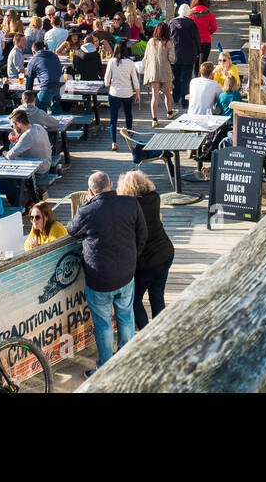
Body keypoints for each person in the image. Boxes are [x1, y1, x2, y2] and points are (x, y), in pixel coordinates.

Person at [67, 171, 146, 373]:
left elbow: (71, 229)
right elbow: (142, 234)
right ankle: (125, 362)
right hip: (126, 274)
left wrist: (86, 204)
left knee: (103, 325)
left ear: (90, 191)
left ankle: (105, 368)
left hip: (99, 279)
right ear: (111, 185)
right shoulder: (130, 203)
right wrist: (132, 258)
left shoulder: (87, 211)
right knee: (126, 317)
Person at [117, 170, 174, 331]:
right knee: (157, 297)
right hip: (165, 252)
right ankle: (161, 332)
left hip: (146, 261)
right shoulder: (154, 198)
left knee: (135, 301)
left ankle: (146, 333)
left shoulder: (130, 207)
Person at [103, 41, 140, 152]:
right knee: (128, 114)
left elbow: (106, 81)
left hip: (114, 93)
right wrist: (138, 93)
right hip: (127, 93)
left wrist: (110, 84)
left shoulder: (112, 62)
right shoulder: (130, 62)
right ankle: (129, 133)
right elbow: (135, 80)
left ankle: (114, 142)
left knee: (113, 119)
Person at [140, 23, 174, 125]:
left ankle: (154, 119)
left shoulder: (151, 41)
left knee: (154, 96)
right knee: (168, 93)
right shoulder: (169, 42)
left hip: (153, 72)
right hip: (165, 71)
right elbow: (172, 59)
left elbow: (146, 57)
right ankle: (169, 112)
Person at [168, 4, 201, 109]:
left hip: (175, 54)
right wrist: (198, 51)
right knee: (186, 79)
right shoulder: (192, 24)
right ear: (188, 13)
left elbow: (168, 38)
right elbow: (197, 40)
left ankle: (176, 97)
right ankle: (185, 101)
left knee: (175, 77)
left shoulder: (172, 23)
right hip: (189, 55)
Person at [5, 108, 52, 174]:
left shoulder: (27, 135)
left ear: (18, 124)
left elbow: (10, 156)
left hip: (38, 173)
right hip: (46, 167)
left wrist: (11, 144)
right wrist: (16, 140)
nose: (13, 129)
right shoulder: (38, 127)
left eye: (12, 126)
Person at [25, 40, 64, 113]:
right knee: (56, 107)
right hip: (60, 84)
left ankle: (45, 123)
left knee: (38, 110)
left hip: (48, 85)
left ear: (33, 52)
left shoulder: (33, 60)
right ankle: (58, 122)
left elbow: (29, 82)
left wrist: (27, 99)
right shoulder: (54, 55)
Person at [189, 0, 218, 70]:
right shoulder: (209, 13)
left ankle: (196, 79)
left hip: (193, 42)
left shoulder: (190, 13)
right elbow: (214, 27)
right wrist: (208, 33)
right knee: (203, 63)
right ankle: (203, 78)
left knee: (195, 63)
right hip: (206, 40)